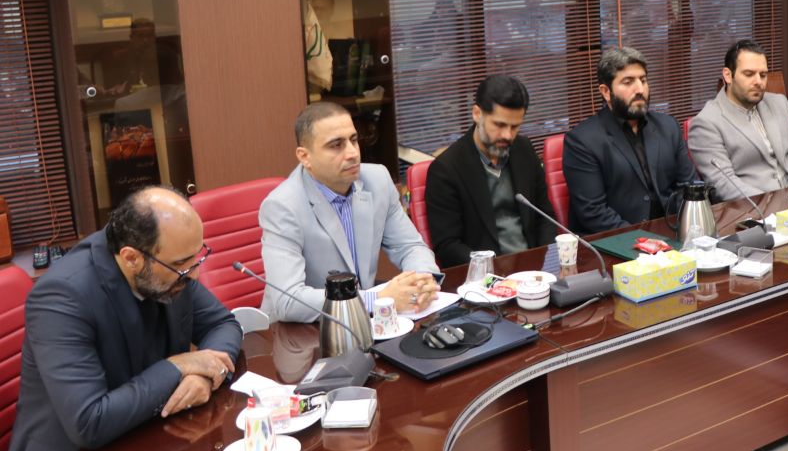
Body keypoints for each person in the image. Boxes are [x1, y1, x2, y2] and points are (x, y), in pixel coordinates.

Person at [2, 187, 242, 451]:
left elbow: (223, 325)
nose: (194, 276)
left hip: (144, 447)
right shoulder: (63, 296)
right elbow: (90, 422)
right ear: (131, 258)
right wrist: (178, 367)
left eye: (197, 258)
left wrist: (206, 374)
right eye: (181, 265)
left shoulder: (168, 265)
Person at [259, 102, 441, 323]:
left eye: (353, 140)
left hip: (364, 323)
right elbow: (288, 300)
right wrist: (376, 299)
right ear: (305, 156)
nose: (353, 153)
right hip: (303, 331)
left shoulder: (378, 180)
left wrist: (422, 281)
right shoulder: (282, 206)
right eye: (336, 145)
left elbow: (410, 246)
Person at [425, 76, 557, 268]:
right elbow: (447, 246)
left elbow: (545, 217)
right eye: (499, 125)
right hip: (485, 276)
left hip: (533, 270)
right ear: (477, 114)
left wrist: (544, 263)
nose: (508, 135)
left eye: (515, 127)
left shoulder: (524, 150)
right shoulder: (446, 169)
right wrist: (494, 269)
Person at [562, 47, 698, 233]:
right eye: (628, 82)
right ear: (606, 92)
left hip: (672, 232)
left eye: (643, 80)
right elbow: (594, 213)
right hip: (616, 240)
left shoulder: (668, 127)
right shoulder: (582, 141)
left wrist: (687, 229)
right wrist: (644, 242)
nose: (640, 89)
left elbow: (688, 187)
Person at [689, 40, 788, 200]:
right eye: (749, 74)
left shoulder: (778, 103)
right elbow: (724, 184)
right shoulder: (706, 123)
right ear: (728, 75)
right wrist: (776, 205)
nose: (758, 82)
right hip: (755, 208)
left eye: (763, 75)